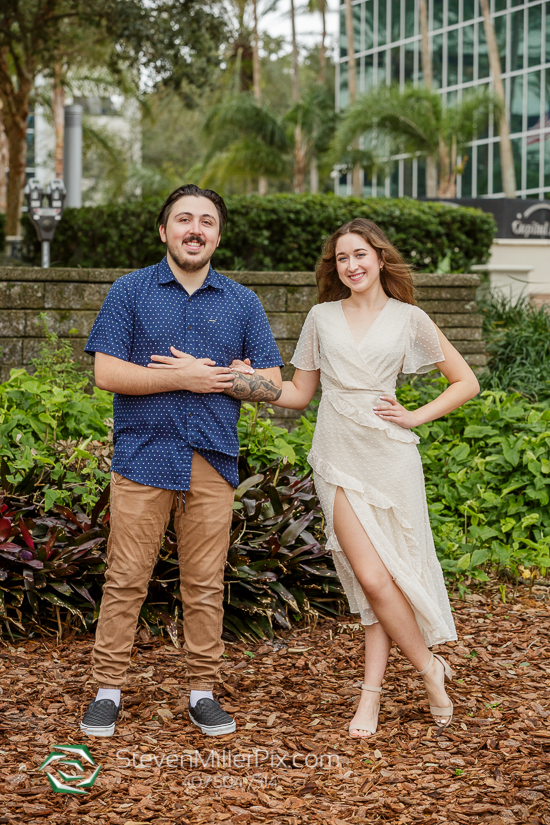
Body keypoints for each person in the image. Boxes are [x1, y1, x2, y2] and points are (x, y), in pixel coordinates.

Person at [80, 184, 283, 738]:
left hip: (210, 459)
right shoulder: (130, 291)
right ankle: (107, 691)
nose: (196, 229)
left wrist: (223, 378)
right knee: (126, 578)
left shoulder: (242, 302)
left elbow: (272, 383)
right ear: (164, 230)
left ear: (219, 234)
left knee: (205, 581)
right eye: (185, 219)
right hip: (143, 456)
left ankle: (201, 692)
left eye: (207, 222)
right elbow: (107, 373)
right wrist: (182, 377)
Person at [269, 218, 480, 737]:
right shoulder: (321, 317)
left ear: (380, 258)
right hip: (337, 455)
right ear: (334, 267)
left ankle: (372, 696)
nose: (352, 265)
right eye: (342, 258)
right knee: (369, 578)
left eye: (360, 254)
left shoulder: (409, 318)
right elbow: (298, 394)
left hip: (390, 458)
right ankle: (430, 669)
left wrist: (413, 416)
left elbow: (466, 381)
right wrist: (243, 383)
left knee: (388, 578)